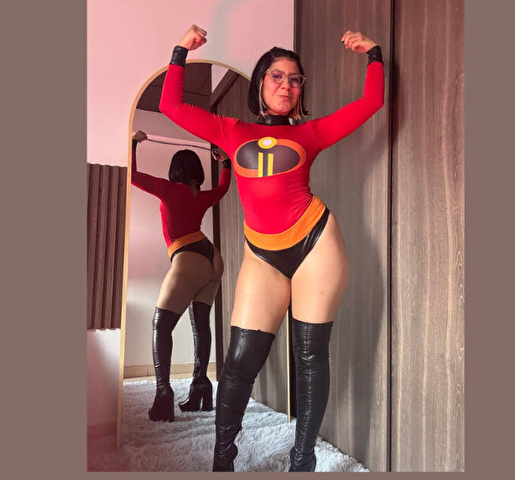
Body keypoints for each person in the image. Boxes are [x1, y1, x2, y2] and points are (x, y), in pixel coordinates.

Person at [159, 24, 384, 471]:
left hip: (316, 244)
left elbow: (370, 102)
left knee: (310, 356)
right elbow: (170, 105)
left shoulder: (310, 133)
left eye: (295, 79)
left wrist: (374, 54)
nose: (287, 85)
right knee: (240, 361)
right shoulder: (230, 129)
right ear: (261, 83)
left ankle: (302, 461)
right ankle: (223, 459)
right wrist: (181, 51)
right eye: (277, 76)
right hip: (262, 255)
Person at [131, 129, 231, 422]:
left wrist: (134, 143)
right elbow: (223, 189)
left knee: (161, 325)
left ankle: (163, 395)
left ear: (175, 170)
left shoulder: (169, 189)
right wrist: (225, 163)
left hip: (188, 258)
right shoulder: (202, 195)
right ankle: (201, 385)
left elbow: (132, 175)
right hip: (212, 258)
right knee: (201, 324)